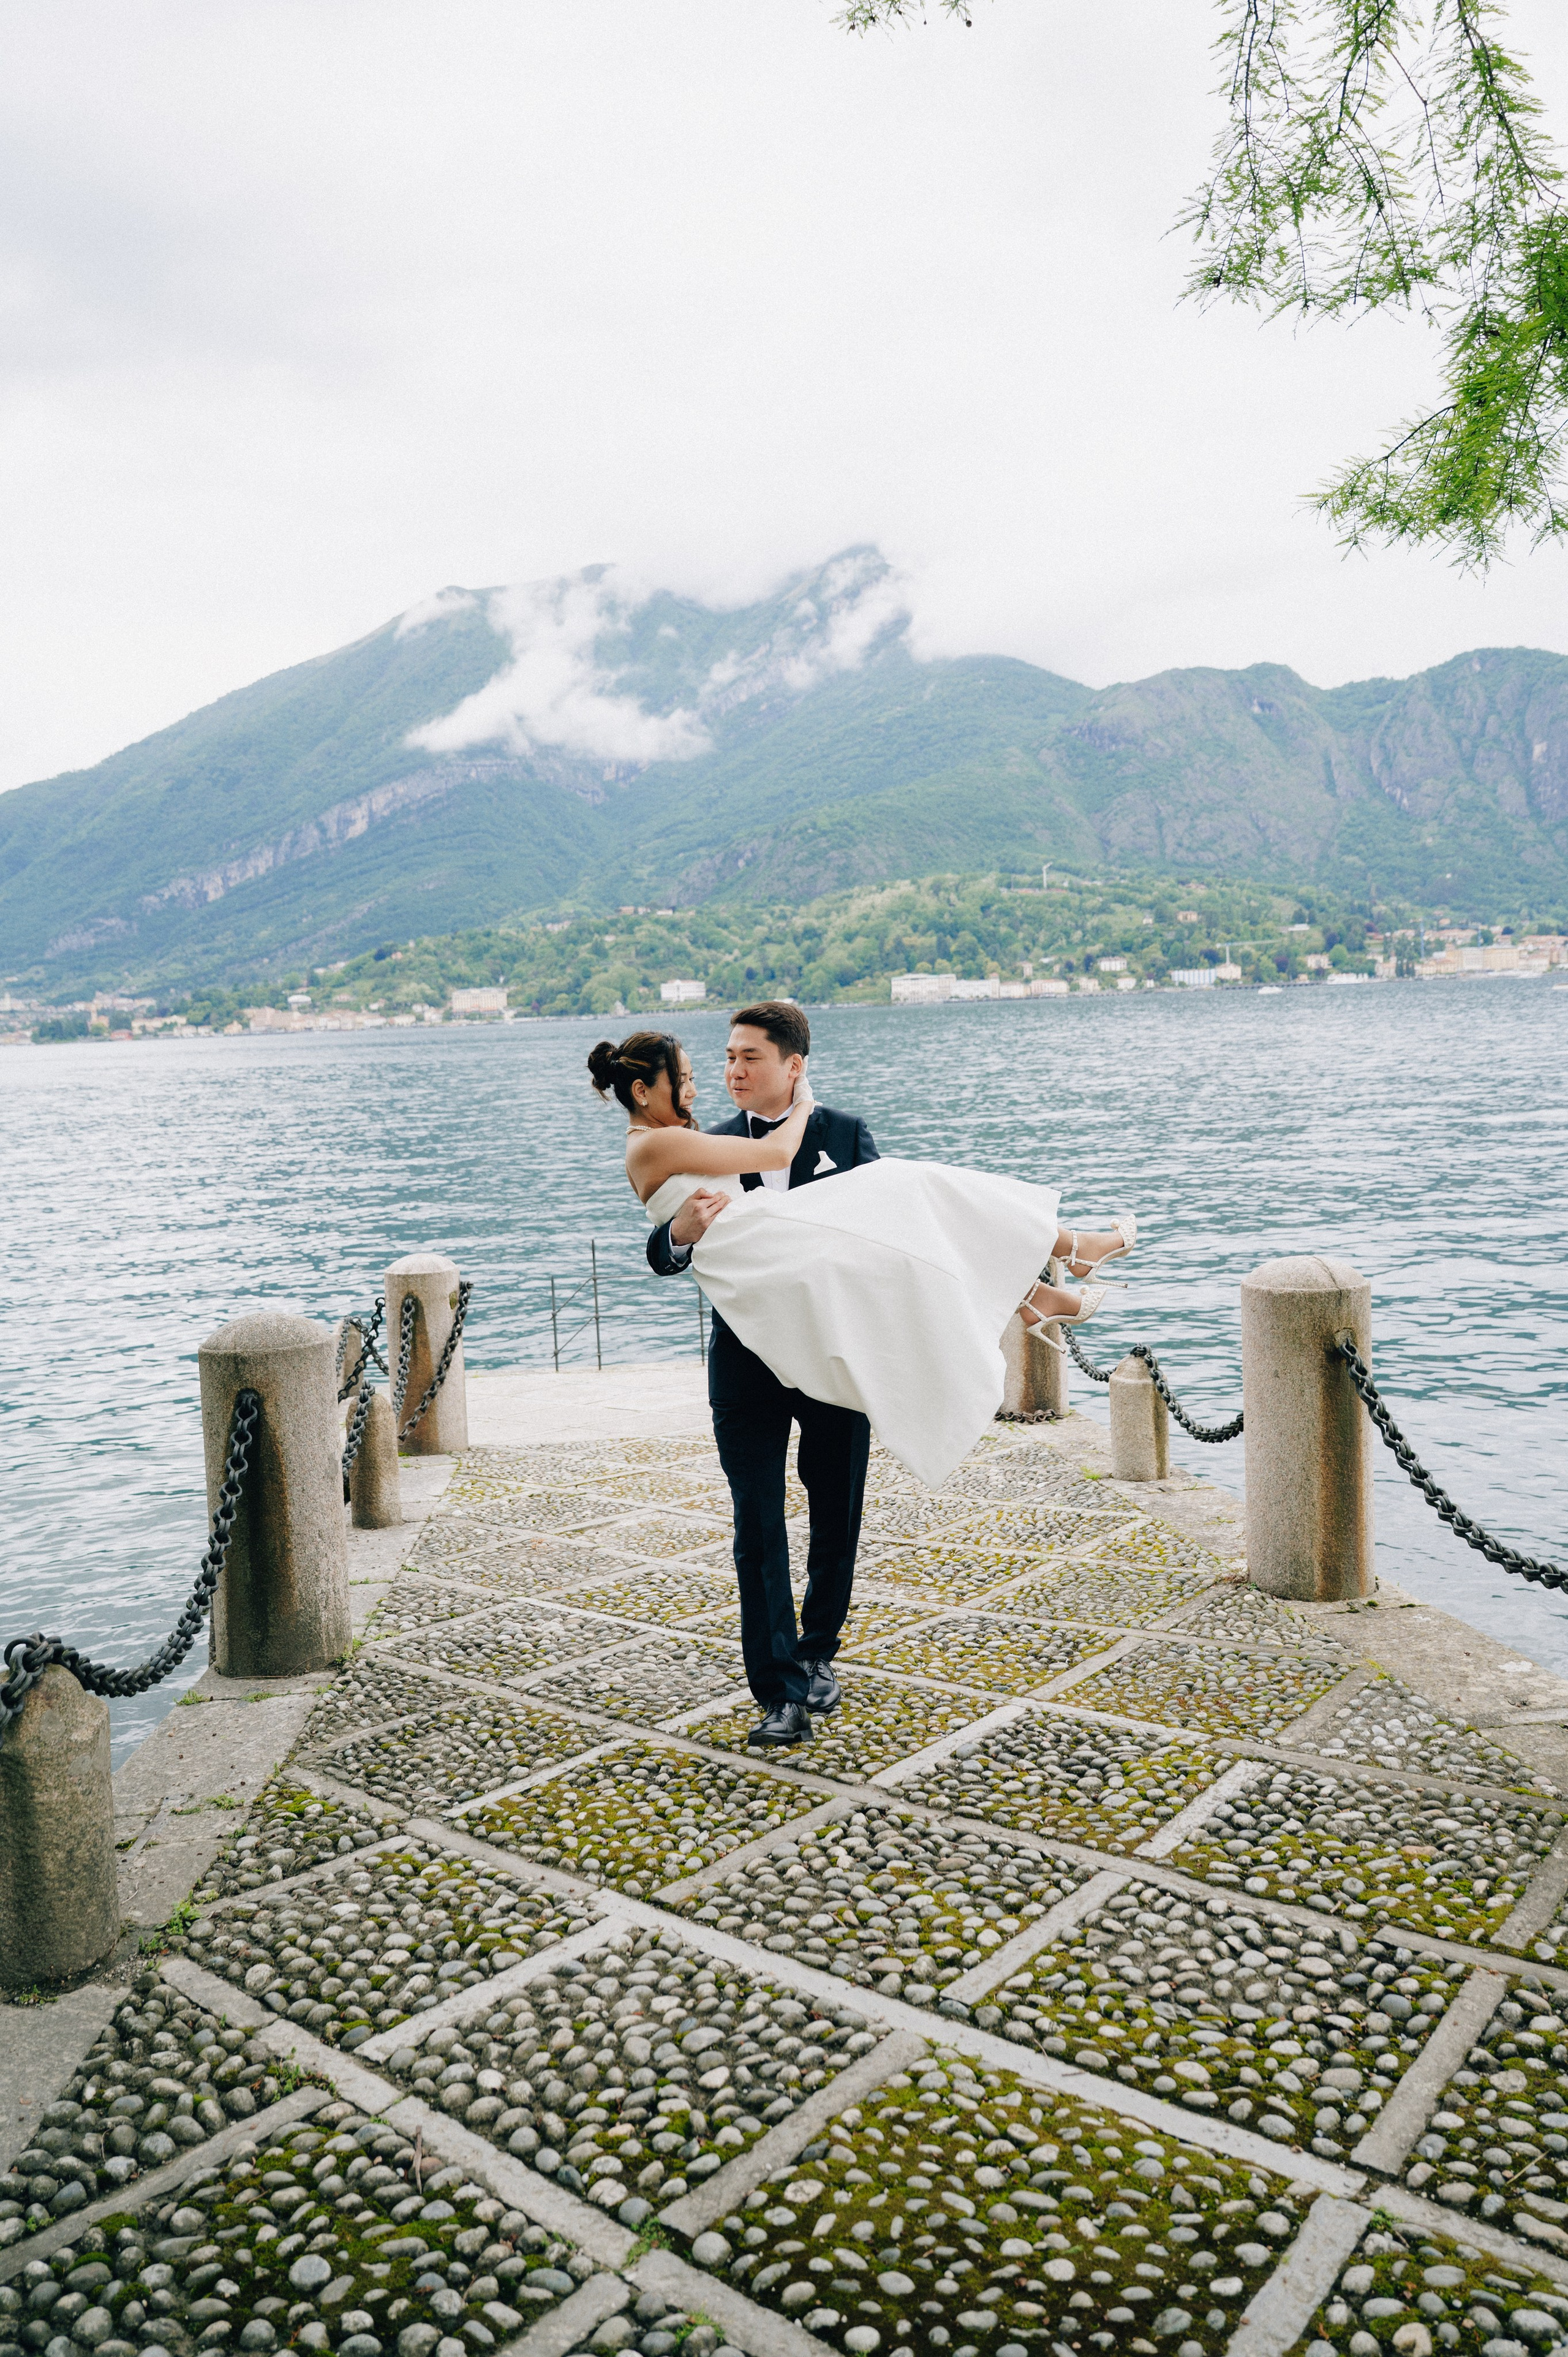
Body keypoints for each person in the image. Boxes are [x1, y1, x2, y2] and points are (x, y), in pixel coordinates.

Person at [587, 1006, 1134, 1748]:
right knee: (757, 1523)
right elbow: (659, 1247)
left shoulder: (843, 1132)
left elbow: (898, 1247)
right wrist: (678, 1237)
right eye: (723, 1059)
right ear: (650, 1088)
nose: (731, 1072)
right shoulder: (701, 1139)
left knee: (835, 1499)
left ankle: (817, 1650)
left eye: (749, 1056)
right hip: (747, 1350)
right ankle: (778, 1689)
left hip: (839, 1346)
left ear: (793, 1063)